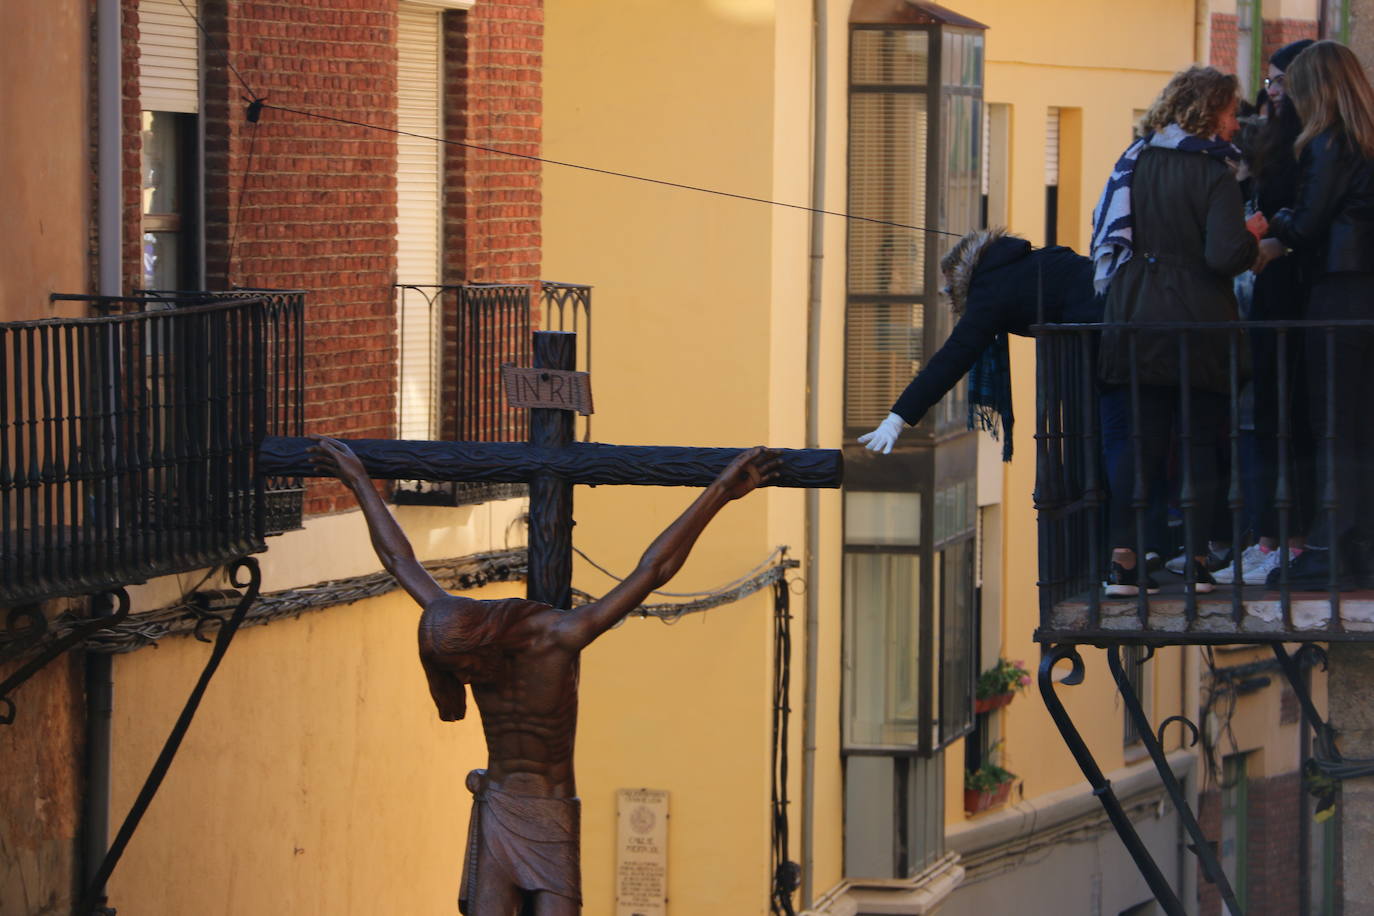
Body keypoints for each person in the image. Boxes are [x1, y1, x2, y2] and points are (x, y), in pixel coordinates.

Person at [307, 435, 781, 914]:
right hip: (498, 804)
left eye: (466, 666)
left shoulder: (559, 639)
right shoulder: (451, 626)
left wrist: (720, 491)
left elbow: (653, 570)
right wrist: (359, 482)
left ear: (483, 641)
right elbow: (399, 560)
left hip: (552, 813)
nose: (466, 678)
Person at [1092, 65, 1262, 596]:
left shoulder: (1134, 160)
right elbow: (1224, 254)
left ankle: (1122, 560)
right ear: (1210, 111)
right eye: (1232, 112)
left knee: (1135, 443)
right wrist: (1254, 235)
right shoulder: (1216, 171)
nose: (1236, 124)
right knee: (1199, 442)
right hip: (1199, 322)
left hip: (1134, 314)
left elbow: (1107, 229)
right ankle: (1194, 559)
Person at [1256, 40, 1374, 588]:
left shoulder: (1331, 143)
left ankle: (1332, 550)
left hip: (1340, 294)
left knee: (1334, 428)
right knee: (1358, 427)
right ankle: (1359, 547)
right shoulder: (1365, 139)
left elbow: (1305, 225)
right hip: (1364, 293)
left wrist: (1270, 222)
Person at [1212, 38, 1318, 586]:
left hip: (1294, 293)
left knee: (1287, 415)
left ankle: (1288, 541)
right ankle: (1270, 539)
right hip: (1272, 291)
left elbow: (1304, 218)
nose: (1268, 92)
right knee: (1269, 413)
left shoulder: (1310, 146)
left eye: (1276, 82)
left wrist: (1273, 235)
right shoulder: (1282, 141)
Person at [858, 227, 1100, 456]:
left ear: (960, 275)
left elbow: (953, 357)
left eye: (949, 286)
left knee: (1101, 429)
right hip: (1111, 312)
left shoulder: (989, 289)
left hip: (1099, 337)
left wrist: (897, 418)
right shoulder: (1014, 265)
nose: (947, 292)